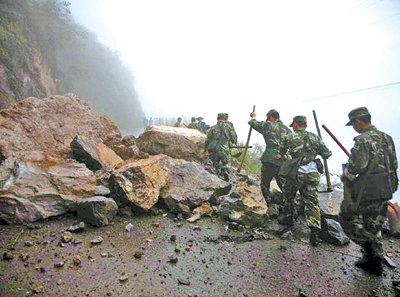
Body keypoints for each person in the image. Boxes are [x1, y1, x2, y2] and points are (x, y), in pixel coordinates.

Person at [340, 107, 398, 275]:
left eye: (353, 124)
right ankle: (373, 262)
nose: (354, 127)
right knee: (373, 222)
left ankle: (372, 251)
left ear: (358, 121)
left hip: (369, 190)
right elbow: (394, 163)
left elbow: (357, 166)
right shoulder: (386, 137)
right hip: (387, 186)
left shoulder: (363, 140)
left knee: (346, 218)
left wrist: (347, 175)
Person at [278, 115, 332, 246]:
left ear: (296, 125)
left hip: (295, 172)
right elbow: (327, 154)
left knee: (289, 196)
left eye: (293, 125)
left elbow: (282, 152)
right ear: (306, 125)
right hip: (312, 173)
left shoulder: (290, 136)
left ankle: (288, 222)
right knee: (312, 202)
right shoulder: (315, 137)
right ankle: (314, 233)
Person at [248, 109, 291, 203]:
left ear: (271, 118)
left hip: (270, 158)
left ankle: (269, 205)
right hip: (283, 160)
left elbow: (253, 123)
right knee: (283, 184)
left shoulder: (268, 125)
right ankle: (289, 206)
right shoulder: (287, 130)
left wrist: (253, 116)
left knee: (265, 184)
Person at [204, 113, 236, 182]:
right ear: (225, 119)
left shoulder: (213, 128)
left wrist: (205, 148)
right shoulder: (228, 127)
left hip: (212, 148)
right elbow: (233, 138)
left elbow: (208, 139)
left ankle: (215, 178)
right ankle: (225, 173)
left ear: (217, 119)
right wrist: (233, 142)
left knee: (214, 165)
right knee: (225, 164)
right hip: (224, 148)